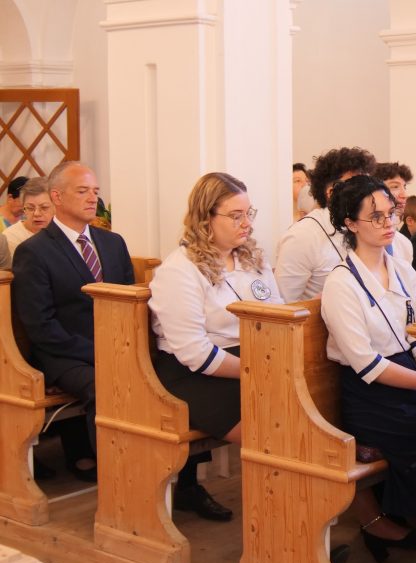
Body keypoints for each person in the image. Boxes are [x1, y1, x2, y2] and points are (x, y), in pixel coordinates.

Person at [148, 172, 282, 522]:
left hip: (255, 362)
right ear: (205, 217)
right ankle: (280, 525)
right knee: (276, 435)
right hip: (196, 375)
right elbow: (194, 352)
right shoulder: (180, 270)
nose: (247, 223)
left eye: (249, 213)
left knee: (301, 417)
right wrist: (259, 372)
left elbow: (279, 315)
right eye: (235, 216)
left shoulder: (253, 259)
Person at [321, 175, 416, 562]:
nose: (388, 223)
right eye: (375, 217)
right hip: (372, 393)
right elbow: (366, 364)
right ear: (350, 223)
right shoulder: (341, 283)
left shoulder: (404, 270)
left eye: (391, 213)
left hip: (410, 374)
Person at [12, 162, 132, 484]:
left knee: (172, 373)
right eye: (82, 191)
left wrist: (127, 347)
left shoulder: (113, 243)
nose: (93, 198)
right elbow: (40, 324)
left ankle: (181, 480)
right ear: (57, 197)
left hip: (115, 345)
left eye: (95, 191)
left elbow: (129, 304)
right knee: (106, 385)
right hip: (63, 353)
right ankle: (118, 481)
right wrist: (97, 352)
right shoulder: (34, 251)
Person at [274, 146, 377, 302]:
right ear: (331, 193)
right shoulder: (302, 237)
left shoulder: (369, 226)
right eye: (358, 186)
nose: (369, 193)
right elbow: (283, 306)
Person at [373, 162, 416, 263]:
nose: (404, 195)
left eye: (404, 187)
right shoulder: (360, 241)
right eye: (395, 187)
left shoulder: (404, 244)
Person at [4, 177, 52, 253]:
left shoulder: (63, 230)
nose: (36, 213)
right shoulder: (10, 237)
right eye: (30, 208)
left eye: (44, 207)